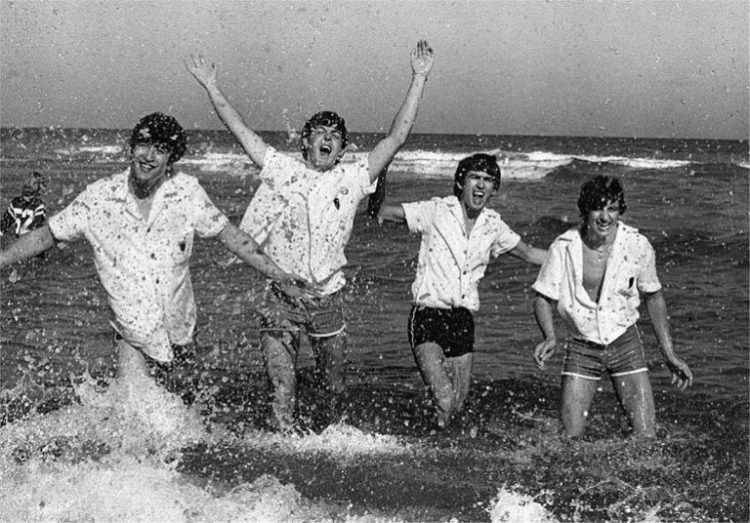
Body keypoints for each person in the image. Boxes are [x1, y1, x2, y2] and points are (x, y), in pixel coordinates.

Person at [186, 41, 435, 432]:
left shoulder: (352, 178)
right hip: (282, 296)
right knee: (281, 386)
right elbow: (240, 131)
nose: (326, 137)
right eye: (319, 131)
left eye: (335, 135)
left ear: (341, 149)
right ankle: (282, 451)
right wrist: (211, 86)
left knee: (334, 388)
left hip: (327, 297)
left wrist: (419, 76)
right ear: (305, 141)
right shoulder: (281, 169)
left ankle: (327, 447)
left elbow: (396, 138)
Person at [0, 113, 301, 403]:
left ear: (171, 158)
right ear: (130, 148)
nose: (148, 156)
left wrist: (279, 275)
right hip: (132, 333)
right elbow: (46, 235)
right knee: (138, 421)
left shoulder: (186, 192)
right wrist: (3, 258)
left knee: (185, 415)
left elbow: (230, 235)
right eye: (143, 144)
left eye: (160, 149)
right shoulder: (99, 198)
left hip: (180, 328)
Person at [376, 153, 547, 428]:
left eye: (488, 180)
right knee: (444, 397)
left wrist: (575, 259)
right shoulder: (436, 210)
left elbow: (528, 253)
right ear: (460, 182)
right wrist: (380, 173)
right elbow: (382, 211)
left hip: (462, 321)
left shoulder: (493, 225)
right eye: (474, 178)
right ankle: (421, 440)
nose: (480, 185)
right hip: (427, 316)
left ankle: (432, 445)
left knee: (455, 405)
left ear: (494, 189)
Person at [531, 175, 693, 438]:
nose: (605, 217)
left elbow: (654, 297)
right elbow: (542, 296)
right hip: (582, 346)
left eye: (613, 209)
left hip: (625, 344)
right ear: (586, 210)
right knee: (569, 440)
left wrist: (669, 353)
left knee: (646, 437)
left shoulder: (637, 244)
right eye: (598, 208)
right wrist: (549, 336)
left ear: (620, 211)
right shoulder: (564, 247)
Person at [0, 171, 47, 240]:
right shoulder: (38, 205)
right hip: (26, 244)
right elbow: (37, 230)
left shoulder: (16, 202)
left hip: (20, 243)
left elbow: (3, 226)